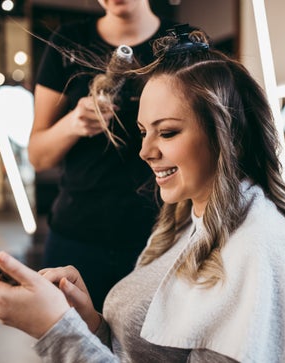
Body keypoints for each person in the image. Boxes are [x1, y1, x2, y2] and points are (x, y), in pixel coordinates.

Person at [0, 29, 285, 362]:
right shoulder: (184, 223)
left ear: (225, 135)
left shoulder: (257, 252)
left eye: (168, 132)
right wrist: (86, 321)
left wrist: (55, 330)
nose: (145, 152)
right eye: (144, 131)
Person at [29, 0, 187, 312]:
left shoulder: (182, 44)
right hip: (78, 236)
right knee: (70, 347)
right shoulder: (68, 42)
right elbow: (38, 156)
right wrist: (72, 124)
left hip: (162, 237)